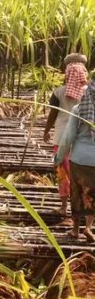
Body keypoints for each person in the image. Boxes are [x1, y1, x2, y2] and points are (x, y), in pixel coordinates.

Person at [55, 77, 95, 242]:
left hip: (78, 158)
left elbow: (68, 136)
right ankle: (89, 227)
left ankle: (75, 229)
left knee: (77, 192)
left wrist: (59, 157)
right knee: (92, 193)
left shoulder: (79, 109)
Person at [44, 83, 78, 217]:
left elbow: (53, 113)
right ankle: (82, 211)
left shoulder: (59, 92)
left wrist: (46, 130)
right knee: (80, 174)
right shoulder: (88, 91)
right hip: (80, 138)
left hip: (61, 136)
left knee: (62, 172)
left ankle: (64, 206)